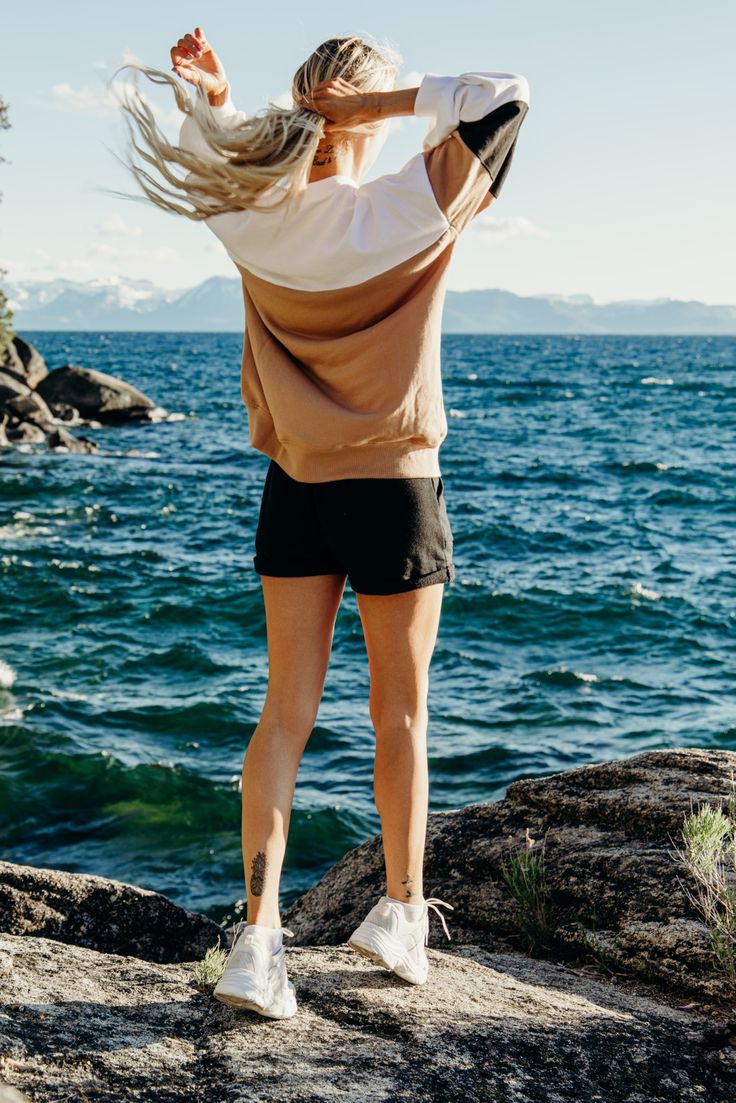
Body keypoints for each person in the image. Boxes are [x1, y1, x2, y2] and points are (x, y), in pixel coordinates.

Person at [116, 27, 530, 1019]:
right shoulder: (412, 200)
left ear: (301, 105)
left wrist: (212, 101)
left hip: (294, 488)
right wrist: (377, 109)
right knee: (402, 712)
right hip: (395, 487)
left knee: (282, 713)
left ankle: (256, 941)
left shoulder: (251, 212)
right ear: (357, 112)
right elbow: (502, 92)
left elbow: (217, 144)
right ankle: (398, 911)